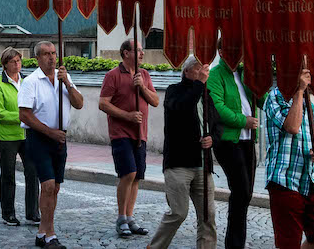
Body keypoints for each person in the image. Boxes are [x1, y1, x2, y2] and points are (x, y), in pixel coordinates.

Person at [19, 41, 84, 249]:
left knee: (54, 188)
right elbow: (25, 115)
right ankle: (50, 234)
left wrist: (68, 84)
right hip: (39, 137)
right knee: (46, 185)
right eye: (46, 54)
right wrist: (50, 132)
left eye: (54, 53)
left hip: (60, 138)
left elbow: (79, 103)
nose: (51, 57)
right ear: (37, 58)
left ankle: (42, 232)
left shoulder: (63, 77)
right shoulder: (31, 81)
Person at [148, 56, 217, 249]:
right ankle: (155, 247)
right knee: (178, 212)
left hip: (202, 164)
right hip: (179, 163)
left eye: (205, 71)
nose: (203, 74)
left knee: (208, 215)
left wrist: (211, 138)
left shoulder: (205, 94)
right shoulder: (174, 91)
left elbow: (214, 123)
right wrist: (199, 84)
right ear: (186, 71)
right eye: (198, 70)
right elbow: (182, 108)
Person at [262, 66, 314, 249]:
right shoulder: (275, 97)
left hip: (310, 179)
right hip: (285, 179)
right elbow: (292, 126)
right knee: (288, 243)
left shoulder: (310, 103)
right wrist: (299, 91)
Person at [98, 39, 158, 237]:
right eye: (138, 50)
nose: (142, 54)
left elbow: (155, 101)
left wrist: (142, 87)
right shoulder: (112, 76)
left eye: (142, 50)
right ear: (125, 53)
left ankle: (130, 217)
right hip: (120, 133)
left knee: (137, 177)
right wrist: (127, 115)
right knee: (128, 173)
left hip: (140, 133)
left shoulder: (145, 75)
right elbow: (103, 104)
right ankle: (121, 217)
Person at [207, 54, 259, 249]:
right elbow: (217, 107)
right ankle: (234, 243)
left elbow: (259, 97)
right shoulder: (216, 74)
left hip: (247, 140)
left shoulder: (245, 74)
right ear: (222, 52)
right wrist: (242, 120)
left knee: (246, 193)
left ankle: (237, 241)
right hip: (228, 141)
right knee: (241, 191)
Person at [0, 47, 40, 226]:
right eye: (13, 61)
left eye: (19, 60)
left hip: (27, 135)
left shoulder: (27, 81)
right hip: (6, 137)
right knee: (9, 176)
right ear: (5, 64)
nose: (17, 64)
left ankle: (33, 212)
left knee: (33, 173)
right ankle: (8, 213)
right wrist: (23, 116)